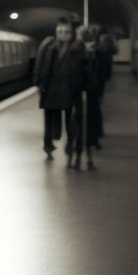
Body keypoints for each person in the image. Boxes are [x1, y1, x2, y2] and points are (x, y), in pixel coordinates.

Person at [33, 18, 85, 162]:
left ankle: (70, 143)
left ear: (71, 32)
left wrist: (85, 87)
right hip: (51, 89)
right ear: (56, 32)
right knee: (49, 120)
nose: (63, 34)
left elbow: (84, 68)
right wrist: (38, 83)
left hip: (69, 89)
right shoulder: (49, 46)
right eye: (60, 31)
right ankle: (48, 145)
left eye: (66, 31)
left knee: (70, 120)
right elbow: (39, 64)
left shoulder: (77, 48)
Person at [80, 24, 105, 169]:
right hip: (87, 93)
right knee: (87, 123)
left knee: (88, 122)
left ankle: (86, 148)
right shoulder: (85, 55)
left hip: (90, 92)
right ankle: (85, 151)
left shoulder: (93, 55)